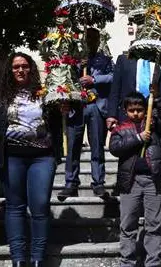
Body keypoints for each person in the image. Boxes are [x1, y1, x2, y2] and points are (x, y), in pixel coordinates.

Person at [0, 52, 57, 267]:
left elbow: (64, 119)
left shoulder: (45, 94)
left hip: (42, 157)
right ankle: (18, 259)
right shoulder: (3, 96)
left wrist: (67, 110)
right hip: (12, 157)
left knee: (40, 205)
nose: (20, 70)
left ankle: (37, 259)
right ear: (10, 71)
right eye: (15, 67)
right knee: (15, 207)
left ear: (31, 69)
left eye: (24, 66)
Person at [109, 91, 161, 267]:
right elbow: (114, 148)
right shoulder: (120, 129)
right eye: (131, 110)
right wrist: (138, 138)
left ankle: (153, 262)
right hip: (131, 182)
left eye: (140, 109)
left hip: (153, 180)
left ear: (146, 109)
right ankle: (127, 262)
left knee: (154, 225)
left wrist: (156, 99)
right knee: (128, 225)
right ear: (125, 111)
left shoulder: (153, 124)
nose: (136, 113)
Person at [58, 27, 114, 198]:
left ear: (98, 41)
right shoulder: (74, 60)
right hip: (77, 106)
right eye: (87, 38)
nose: (90, 42)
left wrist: (94, 79)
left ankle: (98, 183)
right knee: (73, 146)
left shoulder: (106, 60)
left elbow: (113, 76)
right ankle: (71, 183)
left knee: (97, 147)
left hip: (96, 106)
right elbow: (64, 78)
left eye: (94, 39)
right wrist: (76, 67)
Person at [106, 52, 161, 128]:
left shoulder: (159, 62)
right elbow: (115, 89)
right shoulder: (124, 60)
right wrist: (112, 115)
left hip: (151, 117)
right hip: (127, 116)